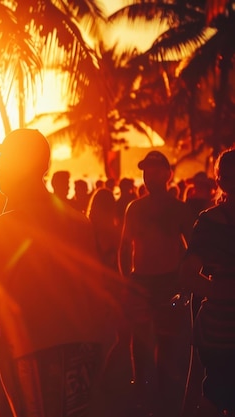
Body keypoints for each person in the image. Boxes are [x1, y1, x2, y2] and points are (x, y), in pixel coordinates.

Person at [0, 129, 115, 417]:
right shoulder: (77, 221)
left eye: (3, 162)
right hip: (80, 348)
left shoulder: (8, 224)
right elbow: (96, 294)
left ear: (18, 166)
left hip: (31, 352)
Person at [118, 150, 196, 417]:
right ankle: (143, 390)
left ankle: (161, 396)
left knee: (166, 342)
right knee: (140, 343)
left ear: (167, 174)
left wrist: (184, 278)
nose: (148, 174)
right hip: (141, 282)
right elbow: (124, 247)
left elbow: (192, 248)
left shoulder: (179, 209)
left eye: (154, 169)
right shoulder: (135, 208)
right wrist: (127, 279)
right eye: (145, 170)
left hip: (168, 283)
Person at [179, 147, 235, 416]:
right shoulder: (209, 222)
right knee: (214, 396)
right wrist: (221, 291)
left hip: (216, 328)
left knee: (214, 396)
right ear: (222, 181)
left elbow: (188, 274)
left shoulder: (209, 221)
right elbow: (187, 274)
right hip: (220, 329)